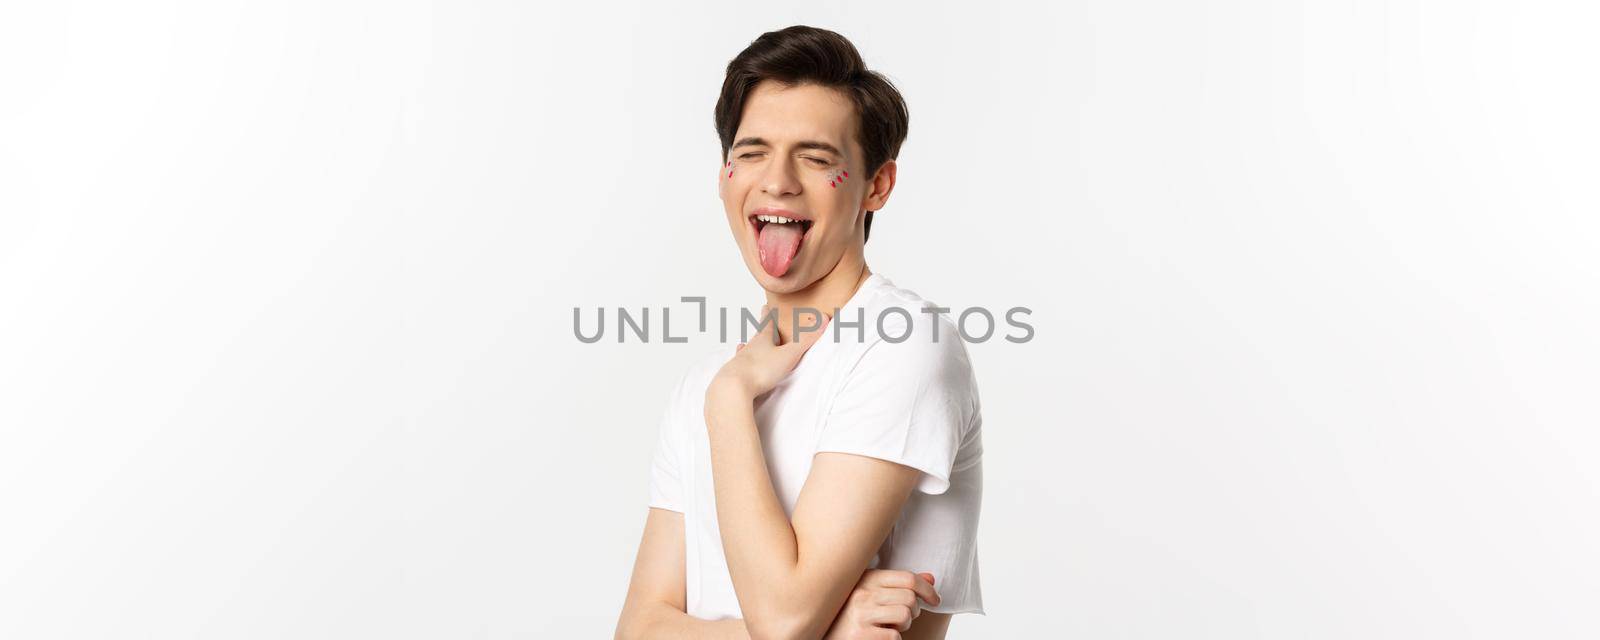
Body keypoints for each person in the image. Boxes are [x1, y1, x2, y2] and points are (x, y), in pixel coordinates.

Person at [615, 25, 984, 640]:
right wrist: (834, 630)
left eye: (816, 158)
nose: (778, 180)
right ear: (726, 174)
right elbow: (636, 629)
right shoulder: (709, 383)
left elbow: (785, 617)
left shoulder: (902, 343)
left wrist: (731, 405)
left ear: (877, 186)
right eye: (753, 152)